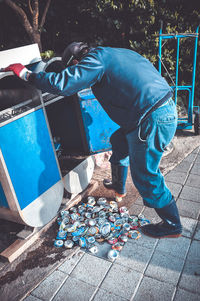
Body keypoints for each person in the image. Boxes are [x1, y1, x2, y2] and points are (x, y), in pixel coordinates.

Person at [3, 42, 182, 239]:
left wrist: (27, 75)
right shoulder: (116, 51)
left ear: (77, 62)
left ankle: (172, 225)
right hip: (156, 110)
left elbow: (63, 84)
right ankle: (118, 186)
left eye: (74, 68)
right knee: (118, 142)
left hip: (150, 118)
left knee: (145, 175)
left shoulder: (95, 60)